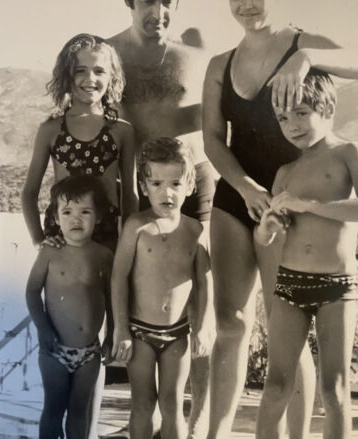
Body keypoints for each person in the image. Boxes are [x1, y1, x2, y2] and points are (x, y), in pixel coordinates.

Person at [202, 1, 358, 437]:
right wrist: (245, 188)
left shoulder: (303, 42)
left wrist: (306, 58)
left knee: (289, 329)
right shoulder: (220, 64)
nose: (247, 5)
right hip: (239, 195)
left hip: (291, 199)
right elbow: (210, 138)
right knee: (230, 323)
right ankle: (216, 433)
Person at [21, 33, 138, 438]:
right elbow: (28, 191)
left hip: (107, 243)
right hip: (63, 241)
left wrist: (130, 247)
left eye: (100, 70)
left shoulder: (121, 130)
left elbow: (133, 195)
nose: (90, 78)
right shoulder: (51, 129)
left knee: (98, 327)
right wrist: (40, 240)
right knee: (60, 322)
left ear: (113, 77)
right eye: (81, 70)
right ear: (66, 76)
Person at [254, 70, 358, 439]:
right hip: (291, 284)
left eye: (301, 112)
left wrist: (308, 204)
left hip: (337, 286)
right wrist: (267, 226)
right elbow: (264, 239)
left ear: (327, 108)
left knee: (335, 389)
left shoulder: (349, 153)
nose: (291, 125)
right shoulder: (285, 172)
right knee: (276, 385)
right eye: (282, 117)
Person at [108, 2, 215, 437]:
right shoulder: (110, 54)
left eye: (168, 0)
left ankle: (197, 420)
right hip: (140, 183)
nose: (159, 9)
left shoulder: (194, 56)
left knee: (203, 284)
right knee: (137, 278)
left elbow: (217, 114)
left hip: (193, 181)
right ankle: (141, 421)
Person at [110, 138, 213, 439]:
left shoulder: (195, 231)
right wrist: (121, 330)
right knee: (142, 403)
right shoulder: (136, 227)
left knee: (172, 403)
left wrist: (204, 327)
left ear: (190, 185)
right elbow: (118, 277)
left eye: (175, 183)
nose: (166, 193)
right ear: (143, 187)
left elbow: (205, 282)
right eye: (156, 183)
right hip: (139, 332)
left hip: (177, 334)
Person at [25, 175, 115, 439]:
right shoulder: (49, 252)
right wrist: (43, 329)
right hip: (54, 350)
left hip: (90, 352)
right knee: (53, 409)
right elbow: (32, 291)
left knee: (79, 411)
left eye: (85, 211)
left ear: (98, 217)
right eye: (67, 212)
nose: (76, 219)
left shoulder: (103, 255)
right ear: (55, 218)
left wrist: (112, 334)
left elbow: (112, 298)